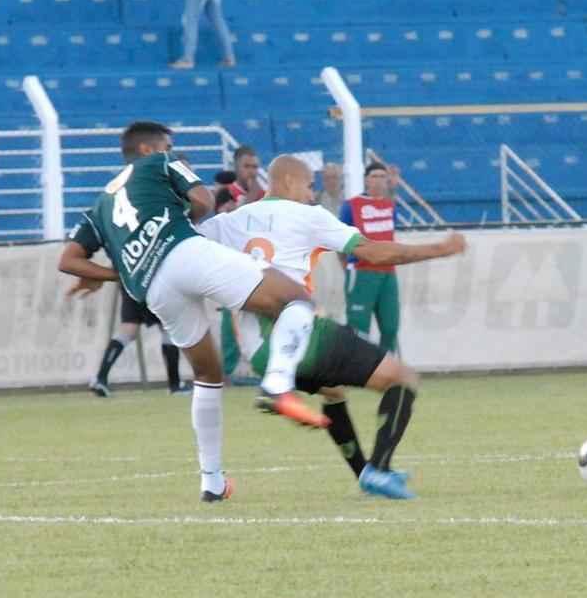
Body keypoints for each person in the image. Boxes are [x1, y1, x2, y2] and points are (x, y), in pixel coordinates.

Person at [59, 121, 330, 504]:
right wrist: (176, 217)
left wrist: (115, 272)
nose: (172, 148)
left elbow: (69, 260)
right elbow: (202, 201)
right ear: (151, 150)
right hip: (187, 253)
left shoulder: (100, 205)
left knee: (207, 374)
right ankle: (277, 384)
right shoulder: (161, 163)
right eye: (168, 144)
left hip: (152, 287)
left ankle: (212, 480)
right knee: (297, 298)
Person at [198, 155, 467, 499]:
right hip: (302, 337)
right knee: (402, 379)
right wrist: (441, 249)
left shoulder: (226, 223)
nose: (312, 195)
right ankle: (379, 470)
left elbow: (182, 252)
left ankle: (365, 474)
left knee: (333, 391)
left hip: (260, 353)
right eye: (310, 186)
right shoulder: (307, 215)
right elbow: (372, 252)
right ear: (291, 182)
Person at [341, 162, 402, 353]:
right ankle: (357, 370)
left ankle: (388, 371)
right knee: (358, 327)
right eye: (374, 176)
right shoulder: (352, 205)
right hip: (361, 272)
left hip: (388, 273)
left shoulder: (390, 205)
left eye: (382, 176)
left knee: (390, 327)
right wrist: (347, 267)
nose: (378, 180)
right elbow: (340, 241)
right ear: (366, 179)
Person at [89, 287, 189, 397]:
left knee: (128, 330)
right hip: (150, 283)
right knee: (168, 329)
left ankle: (100, 378)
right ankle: (175, 385)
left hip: (129, 284)